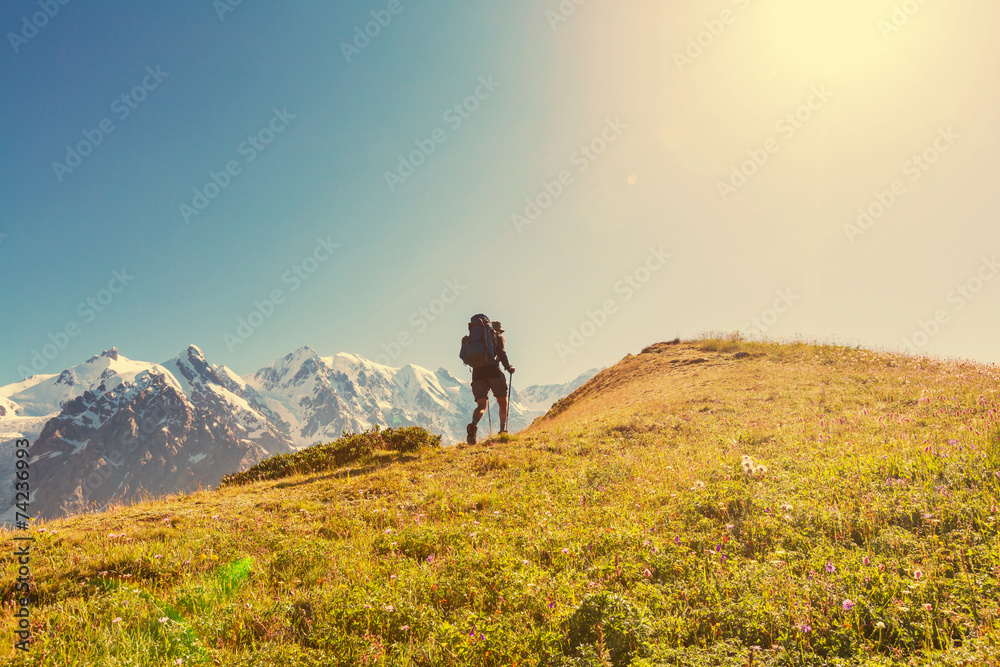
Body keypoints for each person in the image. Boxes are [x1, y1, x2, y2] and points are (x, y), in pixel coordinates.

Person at [467, 319, 515, 445]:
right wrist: (508, 367)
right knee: (502, 400)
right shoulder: (498, 337)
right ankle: (502, 430)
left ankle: (473, 425)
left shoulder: (476, 340)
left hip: (477, 375)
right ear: (496, 330)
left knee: (481, 406)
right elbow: (502, 353)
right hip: (493, 372)